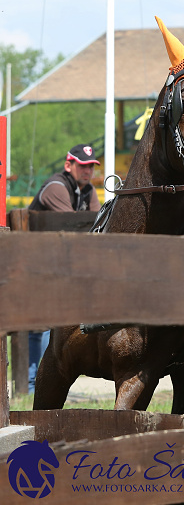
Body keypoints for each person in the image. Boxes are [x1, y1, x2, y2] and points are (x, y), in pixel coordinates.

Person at [26, 143, 101, 392]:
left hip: (56, 264)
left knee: (51, 322)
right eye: (82, 166)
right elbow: (76, 227)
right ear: (69, 165)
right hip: (28, 262)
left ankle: (37, 380)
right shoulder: (56, 187)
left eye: (90, 166)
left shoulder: (88, 190)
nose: (87, 171)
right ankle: (32, 381)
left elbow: (97, 230)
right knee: (40, 325)